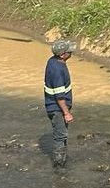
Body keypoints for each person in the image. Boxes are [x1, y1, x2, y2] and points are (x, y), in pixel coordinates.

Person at [44, 38, 76, 168]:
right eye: (69, 51)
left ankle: (62, 161)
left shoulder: (53, 61)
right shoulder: (57, 70)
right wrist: (66, 113)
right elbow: (59, 95)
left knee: (62, 135)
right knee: (60, 136)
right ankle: (59, 167)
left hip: (55, 106)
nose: (71, 53)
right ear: (62, 54)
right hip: (57, 108)